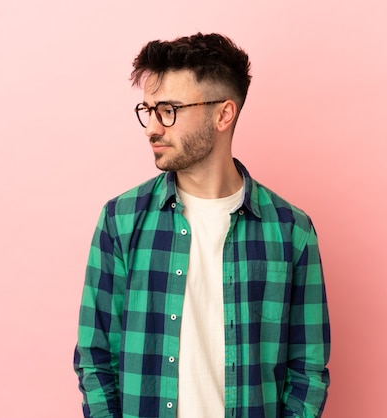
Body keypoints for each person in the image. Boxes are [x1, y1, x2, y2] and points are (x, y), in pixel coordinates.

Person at [74, 32, 330, 418]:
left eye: (169, 110)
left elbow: (307, 370)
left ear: (223, 114)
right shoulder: (120, 221)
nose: (152, 128)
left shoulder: (291, 231)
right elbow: (95, 358)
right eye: (149, 110)